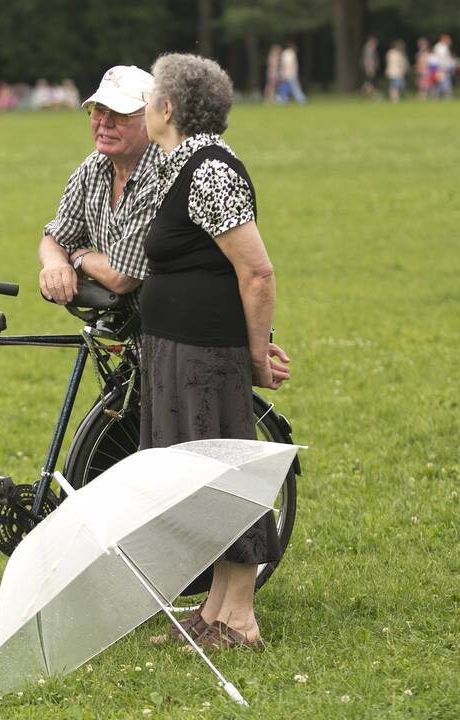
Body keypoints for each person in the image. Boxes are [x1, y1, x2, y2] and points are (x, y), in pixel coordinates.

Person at [141, 53, 291, 650]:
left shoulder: (210, 172)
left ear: (169, 108)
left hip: (207, 354)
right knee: (198, 479)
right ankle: (216, 610)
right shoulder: (179, 165)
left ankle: (243, 618)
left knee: (223, 478)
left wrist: (257, 355)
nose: (146, 104)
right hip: (179, 349)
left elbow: (256, 272)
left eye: (151, 96)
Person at [39, 65, 158, 327]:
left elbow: (122, 276)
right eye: (98, 110)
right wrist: (55, 264)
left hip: (174, 339)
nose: (104, 121)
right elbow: (55, 239)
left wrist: (78, 257)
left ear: (152, 119)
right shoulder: (94, 166)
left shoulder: (161, 173)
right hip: (128, 333)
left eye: (120, 114)